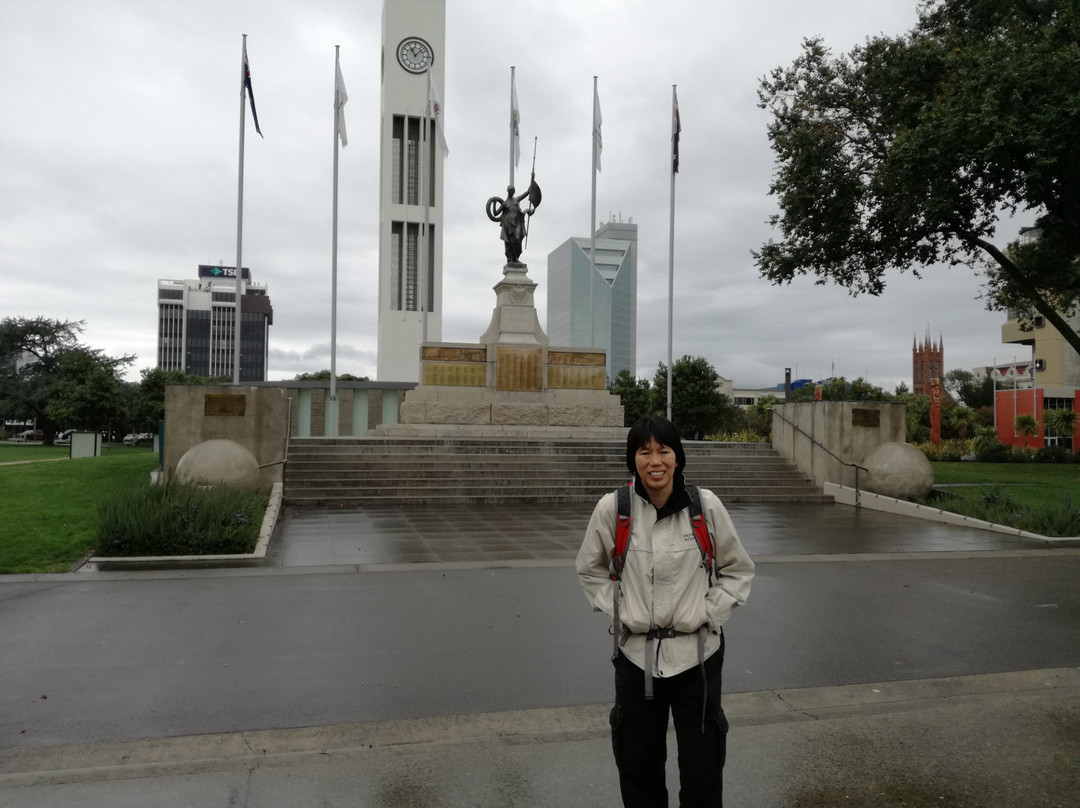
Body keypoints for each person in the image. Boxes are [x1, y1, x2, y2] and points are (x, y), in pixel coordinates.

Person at [576, 415, 755, 807]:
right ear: (633, 459)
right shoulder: (613, 509)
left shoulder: (704, 506)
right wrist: (621, 611)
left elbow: (737, 569)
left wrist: (710, 612)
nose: (655, 461)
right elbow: (589, 571)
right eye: (644, 452)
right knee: (638, 769)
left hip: (698, 657)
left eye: (664, 451)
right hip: (635, 658)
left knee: (702, 768)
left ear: (678, 457)